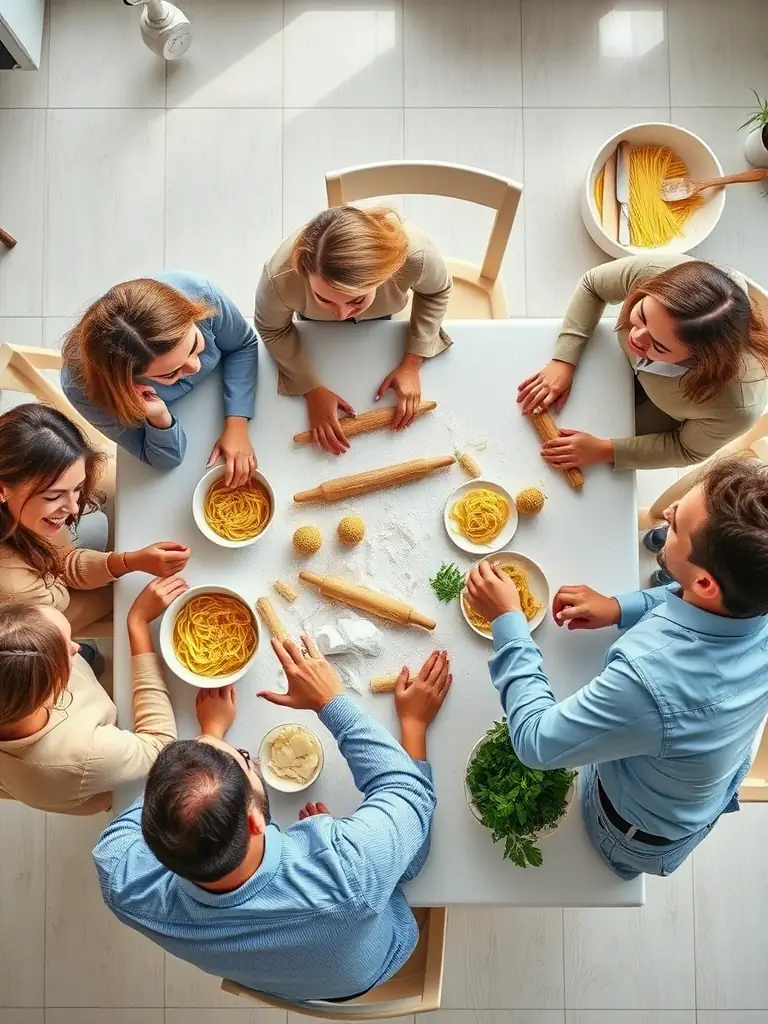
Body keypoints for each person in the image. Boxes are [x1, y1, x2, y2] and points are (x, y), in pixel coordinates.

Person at [93, 638, 452, 1002]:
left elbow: (134, 827)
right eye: (246, 760)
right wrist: (334, 702)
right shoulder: (347, 868)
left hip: (284, 981)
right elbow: (409, 794)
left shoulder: (126, 887)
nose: (246, 760)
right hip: (373, 965)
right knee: (405, 862)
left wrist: (209, 739)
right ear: (253, 820)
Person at [465, 456, 768, 879]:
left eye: (677, 526)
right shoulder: (753, 595)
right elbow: (696, 604)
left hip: (635, 834)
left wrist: (507, 622)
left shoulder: (651, 681)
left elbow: (536, 744)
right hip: (696, 785)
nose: (667, 512)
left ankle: (617, 862)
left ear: (704, 583)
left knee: (607, 864)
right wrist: (619, 607)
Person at [517, 255, 768, 471]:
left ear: (702, 359)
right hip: (613, 363)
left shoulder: (736, 407)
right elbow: (593, 285)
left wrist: (604, 450)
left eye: (659, 346)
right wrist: (564, 360)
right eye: (642, 315)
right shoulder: (659, 272)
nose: (636, 337)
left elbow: (685, 449)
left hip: (663, 411)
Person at [254, 206, 452, 454]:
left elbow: (437, 291)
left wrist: (412, 362)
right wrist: (311, 390)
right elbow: (271, 328)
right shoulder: (279, 278)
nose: (340, 315)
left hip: (383, 323)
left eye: (356, 300)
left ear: (387, 274)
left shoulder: (415, 254)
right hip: (313, 330)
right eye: (324, 299)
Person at [0, 574, 186, 813]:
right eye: (68, 649)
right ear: (54, 693)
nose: (76, 646)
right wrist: (137, 624)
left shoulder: (22, 689)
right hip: (92, 779)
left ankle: (94, 661)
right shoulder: (81, 754)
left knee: (90, 656)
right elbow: (159, 746)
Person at [0, 404, 190, 635]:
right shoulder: (15, 586)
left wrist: (131, 561)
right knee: (125, 597)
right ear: (3, 490)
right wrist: (127, 571)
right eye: (53, 496)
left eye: (77, 488)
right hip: (42, 616)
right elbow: (63, 575)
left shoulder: (25, 508)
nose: (72, 508)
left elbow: (63, 560)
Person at [61, 271, 260, 482]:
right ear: (128, 379)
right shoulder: (84, 390)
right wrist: (159, 418)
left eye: (194, 345)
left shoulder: (198, 292)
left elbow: (243, 344)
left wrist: (237, 424)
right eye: (170, 373)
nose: (195, 366)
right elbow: (163, 460)